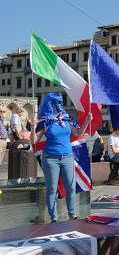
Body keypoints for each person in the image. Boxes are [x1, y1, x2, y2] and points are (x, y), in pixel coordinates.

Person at [31, 93, 92, 222]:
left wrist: (87, 121)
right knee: (52, 188)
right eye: (56, 102)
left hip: (68, 157)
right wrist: (32, 128)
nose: (59, 105)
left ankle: (72, 215)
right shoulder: (45, 122)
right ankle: (53, 218)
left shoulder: (66, 120)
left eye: (60, 102)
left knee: (71, 187)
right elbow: (35, 140)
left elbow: (78, 133)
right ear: (49, 104)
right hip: (51, 158)